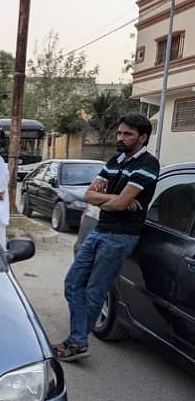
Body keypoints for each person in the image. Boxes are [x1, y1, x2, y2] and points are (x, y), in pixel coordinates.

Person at [54, 113, 159, 362]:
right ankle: (78, 338)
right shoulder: (115, 160)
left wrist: (117, 201)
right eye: (119, 133)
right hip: (100, 230)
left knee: (95, 289)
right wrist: (117, 200)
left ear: (143, 138)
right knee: (72, 284)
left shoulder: (147, 165)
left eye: (128, 134)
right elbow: (89, 195)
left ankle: (77, 342)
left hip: (120, 237)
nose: (120, 137)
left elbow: (119, 203)